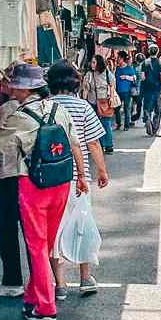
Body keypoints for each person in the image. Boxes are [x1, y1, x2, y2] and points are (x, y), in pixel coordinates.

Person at [0, 62, 85, 320]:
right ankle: (33, 298)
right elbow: (75, 143)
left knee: (37, 247)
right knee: (44, 244)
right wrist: (81, 177)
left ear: (23, 88)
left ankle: (46, 308)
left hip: (34, 185)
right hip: (60, 183)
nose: (10, 88)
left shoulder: (21, 117)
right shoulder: (59, 109)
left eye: (14, 84)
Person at [46, 60, 109, 297]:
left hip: (51, 178)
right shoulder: (83, 107)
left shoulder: (44, 106)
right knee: (82, 225)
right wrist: (102, 170)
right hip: (78, 180)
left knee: (55, 230)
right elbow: (93, 142)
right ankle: (85, 278)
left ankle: (60, 284)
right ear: (75, 82)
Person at [80, 53, 116, 155]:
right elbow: (85, 89)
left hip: (105, 101)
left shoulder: (107, 74)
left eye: (94, 62)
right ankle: (100, 145)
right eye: (92, 62)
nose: (92, 64)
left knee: (106, 124)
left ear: (99, 63)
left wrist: (112, 98)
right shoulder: (89, 75)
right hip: (93, 103)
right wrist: (84, 101)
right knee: (94, 125)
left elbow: (112, 86)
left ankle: (109, 146)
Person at [139, 46, 161, 134]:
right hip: (158, 89)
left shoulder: (144, 63)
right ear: (157, 52)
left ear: (149, 51)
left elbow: (142, 77)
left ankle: (147, 117)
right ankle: (154, 128)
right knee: (157, 110)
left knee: (147, 107)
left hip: (147, 89)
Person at [114, 51, 138, 130]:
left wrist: (126, 77)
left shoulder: (129, 68)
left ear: (122, 59)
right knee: (117, 108)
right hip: (117, 91)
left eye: (118, 58)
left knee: (126, 109)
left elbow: (134, 78)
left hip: (127, 91)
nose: (117, 59)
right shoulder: (116, 68)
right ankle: (118, 123)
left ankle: (126, 126)